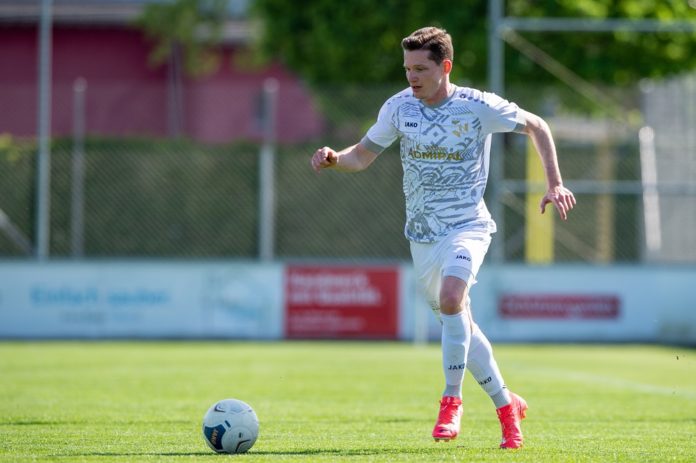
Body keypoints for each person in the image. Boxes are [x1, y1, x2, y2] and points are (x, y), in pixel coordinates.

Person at [310, 26, 575, 449]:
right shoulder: (399, 108)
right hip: (422, 236)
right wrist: (333, 159)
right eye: (407, 69)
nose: (411, 77)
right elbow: (361, 156)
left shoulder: (477, 106)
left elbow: (537, 126)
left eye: (420, 69)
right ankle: (507, 406)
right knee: (459, 323)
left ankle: (451, 402)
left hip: (468, 226)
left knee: (453, 299)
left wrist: (555, 183)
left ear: (445, 66)